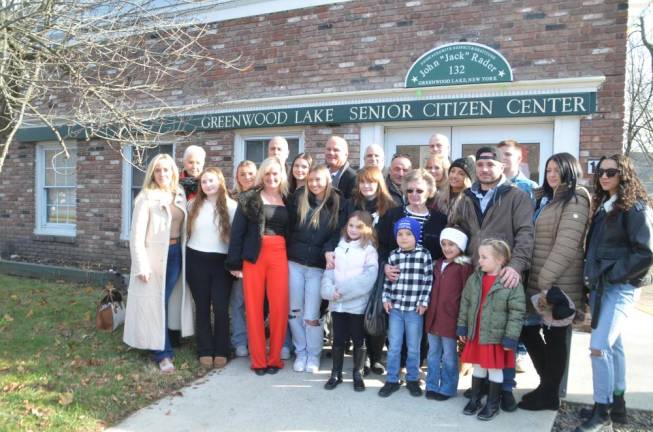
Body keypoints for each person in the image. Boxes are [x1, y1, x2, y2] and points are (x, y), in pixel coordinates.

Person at [574, 154, 653, 432]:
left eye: (612, 172)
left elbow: (645, 252)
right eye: (601, 171)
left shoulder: (635, 208)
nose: (605, 176)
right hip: (600, 286)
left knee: (599, 346)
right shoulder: (606, 206)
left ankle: (602, 409)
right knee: (614, 345)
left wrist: (612, 274)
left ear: (625, 175)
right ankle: (617, 403)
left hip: (619, 287)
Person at [451, 146, 534, 411]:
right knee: (480, 329)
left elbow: (525, 233)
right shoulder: (466, 197)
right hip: (477, 273)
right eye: (481, 165)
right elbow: (460, 229)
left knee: (501, 332)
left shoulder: (516, 196)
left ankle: (505, 389)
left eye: (491, 165)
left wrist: (517, 266)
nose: (485, 170)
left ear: (502, 167)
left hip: (503, 273)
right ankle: (482, 386)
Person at [518, 153, 590, 411]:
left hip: (558, 284)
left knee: (555, 338)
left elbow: (567, 245)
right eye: (548, 170)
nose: (551, 175)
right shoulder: (545, 199)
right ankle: (546, 387)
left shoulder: (576, 198)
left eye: (557, 170)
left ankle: (548, 393)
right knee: (527, 330)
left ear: (569, 171)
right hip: (540, 281)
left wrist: (546, 280)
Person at [123, 154, 194, 373]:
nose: (162, 174)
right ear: (152, 173)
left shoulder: (179, 193)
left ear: (174, 171)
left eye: (166, 170)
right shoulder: (146, 197)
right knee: (156, 303)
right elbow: (136, 236)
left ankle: (162, 341)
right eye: (158, 170)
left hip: (175, 254)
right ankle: (162, 354)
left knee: (166, 302)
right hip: (154, 257)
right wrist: (141, 265)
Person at [226, 157, 290, 375]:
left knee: (279, 307)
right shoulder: (249, 198)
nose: (272, 178)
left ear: (281, 175)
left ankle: (275, 359)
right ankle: (259, 360)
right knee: (253, 308)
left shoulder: (288, 198)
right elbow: (237, 232)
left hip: (280, 255)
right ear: (262, 175)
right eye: (268, 174)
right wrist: (234, 262)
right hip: (254, 256)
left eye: (276, 174)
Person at [458, 239, 526, 421]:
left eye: (484, 257)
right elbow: (465, 302)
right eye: (479, 256)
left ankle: (493, 404)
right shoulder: (475, 279)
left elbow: (517, 311)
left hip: (496, 336)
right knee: (478, 366)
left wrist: (510, 337)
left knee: (495, 369)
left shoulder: (510, 283)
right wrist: (463, 326)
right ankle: (475, 399)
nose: (479, 261)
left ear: (500, 260)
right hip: (477, 333)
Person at [287, 165, 344, 374]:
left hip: (318, 266)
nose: (314, 184)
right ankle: (301, 352)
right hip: (294, 262)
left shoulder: (338, 202)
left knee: (311, 314)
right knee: (294, 312)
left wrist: (329, 250)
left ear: (328, 180)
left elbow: (338, 233)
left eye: (318, 179)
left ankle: (314, 354)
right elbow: (288, 227)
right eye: (311, 180)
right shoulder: (299, 198)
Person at [341, 166, 397, 376]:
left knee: (376, 312)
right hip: (355, 264)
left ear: (379, 183)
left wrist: (386, 263)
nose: (366, 186)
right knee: (357, 312)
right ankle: (360, 359)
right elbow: (343, 232)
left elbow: (394, 241)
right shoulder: (351, 204)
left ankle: (375, 358)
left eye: (371, 182)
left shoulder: (390, 207)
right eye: (362, 181)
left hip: (380, 264)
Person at [321, 211, 379, 391]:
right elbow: (329, 272)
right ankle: (336, 374)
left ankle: (357, 373)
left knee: (358, 339)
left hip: (357, 305)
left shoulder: (369, 250)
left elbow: (368, 278)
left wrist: (342, 291)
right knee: (337, 339)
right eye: (351, 225)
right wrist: (329, 291)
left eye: (359, 226)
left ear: (367, 229)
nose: (353, 229)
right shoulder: (338, 246)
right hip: (337, 304)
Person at [185, 168, 237, 369]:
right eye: (204, 182)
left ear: (220, 182)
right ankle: (205, 349)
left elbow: (236, 239)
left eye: (211, 181)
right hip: (196, 259)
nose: (208, 185)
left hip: (221, 263)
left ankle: (221, 349)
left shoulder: (232, 207)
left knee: (222, 308)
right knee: (203, 307)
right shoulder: (193, 205)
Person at [378, 217, 433, 398]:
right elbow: (387, 281)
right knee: (394, 346)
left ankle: (412, 379)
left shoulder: (424, 255)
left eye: (408, 234)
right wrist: (385, 298)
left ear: (416, 236)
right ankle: (392, 379)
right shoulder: (393, 255)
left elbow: (428, 281)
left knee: (413, 346)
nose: (403, 238)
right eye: (400, 234)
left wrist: (424, 302)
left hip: (414, 310)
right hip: (395, 309)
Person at [424, 226, 473, 401]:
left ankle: (448, 387)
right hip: (433, 317)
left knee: (450, 356)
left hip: (451, 319)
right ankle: (431, 385)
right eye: (443, 244)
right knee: (433, 354)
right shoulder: (437, 263)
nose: (447, 248)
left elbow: (468, 295)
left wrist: (464, 320)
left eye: (451, 244)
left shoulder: (464, 267)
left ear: (460, 245)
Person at [229, 160, 257, 358]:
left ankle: (258, 338)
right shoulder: (231, 198)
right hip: (234, 256)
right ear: (237, 178)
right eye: (243, 174)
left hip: (255, 257)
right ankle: (239, 340)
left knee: (256, 303)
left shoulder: (262, 196)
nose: (247, 177)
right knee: (238, 301)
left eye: (250, 174)